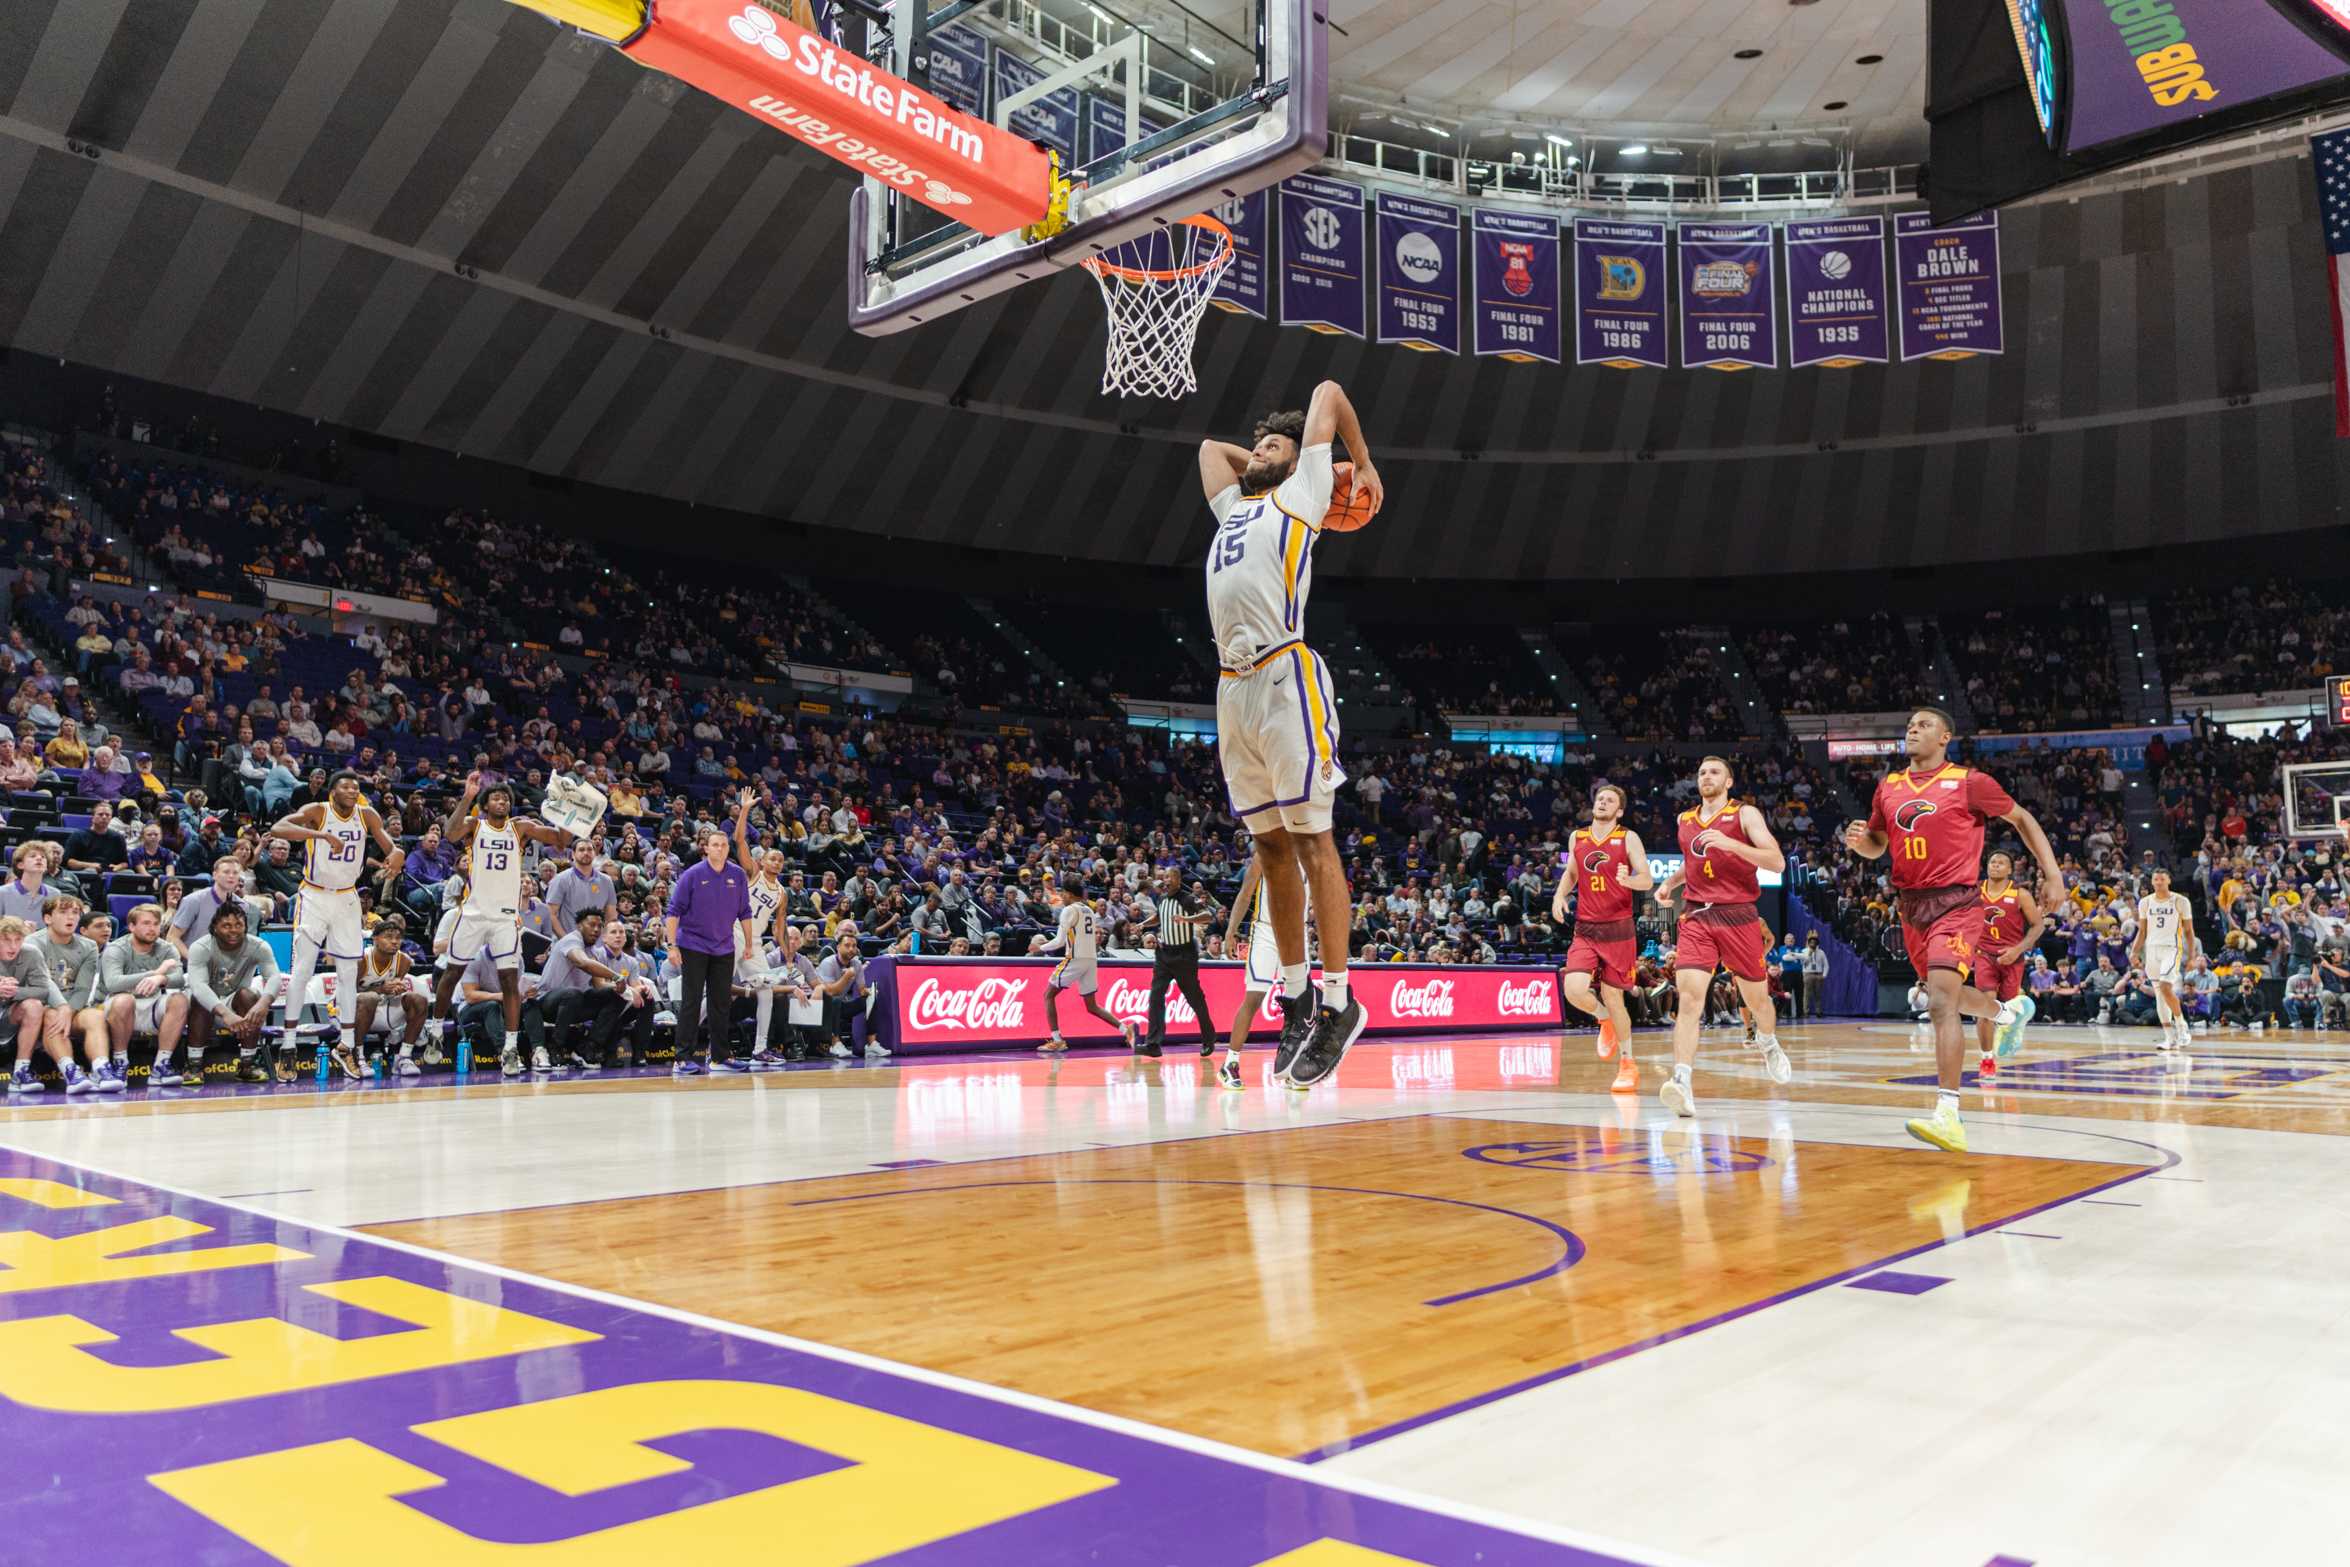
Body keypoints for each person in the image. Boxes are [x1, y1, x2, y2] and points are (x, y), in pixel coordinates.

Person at [1197, 382, 1383, 1090]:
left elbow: (1332, 392)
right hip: (1232, 687)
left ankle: (1340, 999)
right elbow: (1212, 450)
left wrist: (1354, 465)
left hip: (1284, 677)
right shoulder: (1237, 505)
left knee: (1311, 839)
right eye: (1267, 445)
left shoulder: (1302, 491)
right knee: (1269, 845)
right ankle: (1299, 992)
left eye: (1275, 444)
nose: (1261, 452)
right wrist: (1261, 458)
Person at [1846, 708, 2064, 1154]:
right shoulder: (1888, 786)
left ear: (1946, 736)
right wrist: (1859, 844)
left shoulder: (1969, 782)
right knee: (1939, 994)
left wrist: (2053, 874)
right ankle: (2005, 1014)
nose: (1912, 728)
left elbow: (2023, 820)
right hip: (1911, 907)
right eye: (1908, 723)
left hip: (1959, 903)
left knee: (1942, 1002)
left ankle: (1948, 1112)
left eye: (1923, 724)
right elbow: (1877, 845)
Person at [1653, 757, 1790, 1117]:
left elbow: (1776, 862)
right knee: (1689, 999)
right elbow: (1692, 861)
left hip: (1739, 914)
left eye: (1714, 772)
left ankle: (1768, 1041)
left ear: (1728, 781)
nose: (1706, 777)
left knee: (1758, 1001)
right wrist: (1668, 883)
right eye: (1701, 772)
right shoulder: (1685, 820)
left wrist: (1732, 845)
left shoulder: (1745, 815)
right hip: (1697, 915)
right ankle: (1681, 1081)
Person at [430, 773, 576, 1079]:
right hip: (473, 912)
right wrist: (468, 796)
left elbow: (562, 841)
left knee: (510, 980)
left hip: (506, 916)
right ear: (485, 804)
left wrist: (564, 809)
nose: (502, 801)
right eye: (496, 797)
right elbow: (450, 833)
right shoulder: (474, 825)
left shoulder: (519, 827)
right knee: (452, 971)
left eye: (506, 798)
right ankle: (435, 1029)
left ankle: (510, 1048)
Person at [269, 769, 405, 1083]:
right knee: (302, 970)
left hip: (347, 898)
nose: (351, 790)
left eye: (356, 787)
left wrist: (397, 855)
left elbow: (391, 846)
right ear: (332, 791)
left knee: (348, 973)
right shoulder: (319, 811)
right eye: (345, 785)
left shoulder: (367, 814)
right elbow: (279, 827)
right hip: (314, 895)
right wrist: (320, 835)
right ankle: (288, 1047)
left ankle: (346, 1045)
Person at [1552, 783, 1653, 1095]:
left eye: (1610, 800)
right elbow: (1571, 873)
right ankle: (1603, 1020)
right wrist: (1559, 896)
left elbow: (1647, 878)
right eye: (1600, 798)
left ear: (1619, 811)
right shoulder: (1577, 837)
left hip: (1619, 930)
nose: (1603, 802)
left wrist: (1629, 880)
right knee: (1573, 989)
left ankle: (1627, 1063)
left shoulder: (1628, 837)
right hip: (1586, 927)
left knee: (1613, 996)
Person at [664, 823, 754, 1077]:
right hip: (693, 945)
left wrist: (748, 943)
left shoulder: (737, 875)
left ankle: (720, 1057)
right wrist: (672, 946)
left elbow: (745, 912)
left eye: (724, 845)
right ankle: (682, 1058)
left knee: (721, 1003)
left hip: (724, 946)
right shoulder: (692, 874)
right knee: (692, 1002)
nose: (720, 848)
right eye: (715, 844)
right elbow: (673, 912)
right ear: (706, 848)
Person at [1216, 852, 1311, 1088]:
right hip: (1266, 932)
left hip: (1298, 933)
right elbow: (1245, 893)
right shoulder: (1265, 853)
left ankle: (1292, 1066)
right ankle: (1230, 1063)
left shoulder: (1312, 853)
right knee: (1254, 997)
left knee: (1300, 1002)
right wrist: (1230, 932)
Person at [1971, 851, 2049, 1081]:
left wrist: (2018, 949)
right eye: (1992, 862)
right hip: (1984, 955)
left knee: (2007, 1010)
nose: (1995, 865)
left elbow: (2038, 926)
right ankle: (1987, 1059)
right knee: (1985, 1007)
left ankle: (2011, 1025)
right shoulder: (1974, 890)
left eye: (2001, 863)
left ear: (2010, 870)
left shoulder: (2020, 894)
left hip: (2012, 957)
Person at [182, 902, 280, 1084]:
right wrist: (225, 1014)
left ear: (245, 927)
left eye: (238, 925)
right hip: (201, 1005)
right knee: (200, 998)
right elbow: (199, 986)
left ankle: (247, 1064)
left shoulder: (259, 946)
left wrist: (263, 1004)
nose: (233, 930)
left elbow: (274, 977)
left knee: (249, 996)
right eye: (226, 925)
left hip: (232, 1001)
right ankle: (194, 1065)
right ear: (215, 928)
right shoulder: (200, 947)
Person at [1035, 882, 1133, 1054]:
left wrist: (1039, 948)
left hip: (1075, 958)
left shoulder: (1069, 909)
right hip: (1090, 959)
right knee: (1092, 1005)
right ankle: (1126, 1030)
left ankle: (1057, 1040)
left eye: (1063, 893)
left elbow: (1059, 941)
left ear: (1071, 894)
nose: (1061, 897)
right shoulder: (1088, 910)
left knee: (1048, 995)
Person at [31, 895, 115, 1091]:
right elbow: (43, 983)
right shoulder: (33, 943)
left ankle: (101, 1069)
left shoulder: (88, 946)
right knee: (52, 1015)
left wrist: (69, 1010)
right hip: (43, 1004)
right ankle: (71, 1071)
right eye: (63, 912)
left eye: (75, 913)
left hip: (74, 1007)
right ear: (47, 918)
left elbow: (83, 988)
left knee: (95, 1015)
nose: (71, 917)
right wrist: (61, 1008)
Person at [104, 903, 192, 1086]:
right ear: (131, 926)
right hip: (119, 1007)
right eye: (146, 923)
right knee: (124, 1000)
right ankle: (120, 1062)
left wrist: (161, 979)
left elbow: (179, 979)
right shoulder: (116, 948)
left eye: (155, 924)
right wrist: (156, 973)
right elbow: (113, 983)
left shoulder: (167, 948)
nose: (152, 929)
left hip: (152, 1004)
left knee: (180, 1000)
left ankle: (161, 1066)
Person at [1140, 867, 1218, 1060]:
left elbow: (1208, 916)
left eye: (1170, 877)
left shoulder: (1187, 899)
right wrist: (1143, 924)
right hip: (1164, 954)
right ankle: (1153, 1044)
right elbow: (1159, 916)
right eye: (1164, 877)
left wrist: (1187, 919)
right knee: (1156, 996)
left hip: (1184, 956)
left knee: (1194, 999)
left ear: (1177, 879)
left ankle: (1209, 1037)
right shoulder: (1162, 899)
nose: (1166, 880)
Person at [538, 908, 629, 1071]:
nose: (596, 929)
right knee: (573, 993)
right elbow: (583, 963)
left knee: (616, 996)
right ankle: (555, 1047)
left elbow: (599, 985)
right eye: (591, 925)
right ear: (579, 926)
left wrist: (624, 989)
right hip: (548, 1003)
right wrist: (616, 976)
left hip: (574, 1004)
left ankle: (587, 1047)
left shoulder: (593, 951)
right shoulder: (571, 940)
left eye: (599, 926)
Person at [0, 914, 72, 1094]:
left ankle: (20, 1072)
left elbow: (42, 990)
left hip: (9, 1017)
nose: (13, 946)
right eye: (6, 940)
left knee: (34, 1006)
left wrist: (16, 992)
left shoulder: (31, 953)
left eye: (18, 939)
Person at [351, 916, 429, 1075]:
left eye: (398, 938)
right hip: (351, 1011)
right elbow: (349, 994)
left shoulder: (404, 961)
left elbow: (392, 990)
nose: (394, 941)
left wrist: (396, 990)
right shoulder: (361, 960)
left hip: (384, 1008)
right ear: (375, 939)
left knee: (419, 1000)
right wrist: (380, 989)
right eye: (388, 937)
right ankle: (357, 1057)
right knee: (369, 998)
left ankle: (404, 1057)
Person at [2132, 866, 2198, 1051]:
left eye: (2162, 879)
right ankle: (2170, 1038)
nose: (2159, 882)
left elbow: (2188, 931)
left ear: (2169, 880)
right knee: (2160, 995)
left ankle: (2182, 1026)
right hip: (2151, 950)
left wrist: (2192, 956)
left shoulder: (2180, 901)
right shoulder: (2145, 902)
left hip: (2172, 948)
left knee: (2166, 987)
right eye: (2155, 880)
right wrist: (2134, 952)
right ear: (2152, 882)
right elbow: (2142, 931)